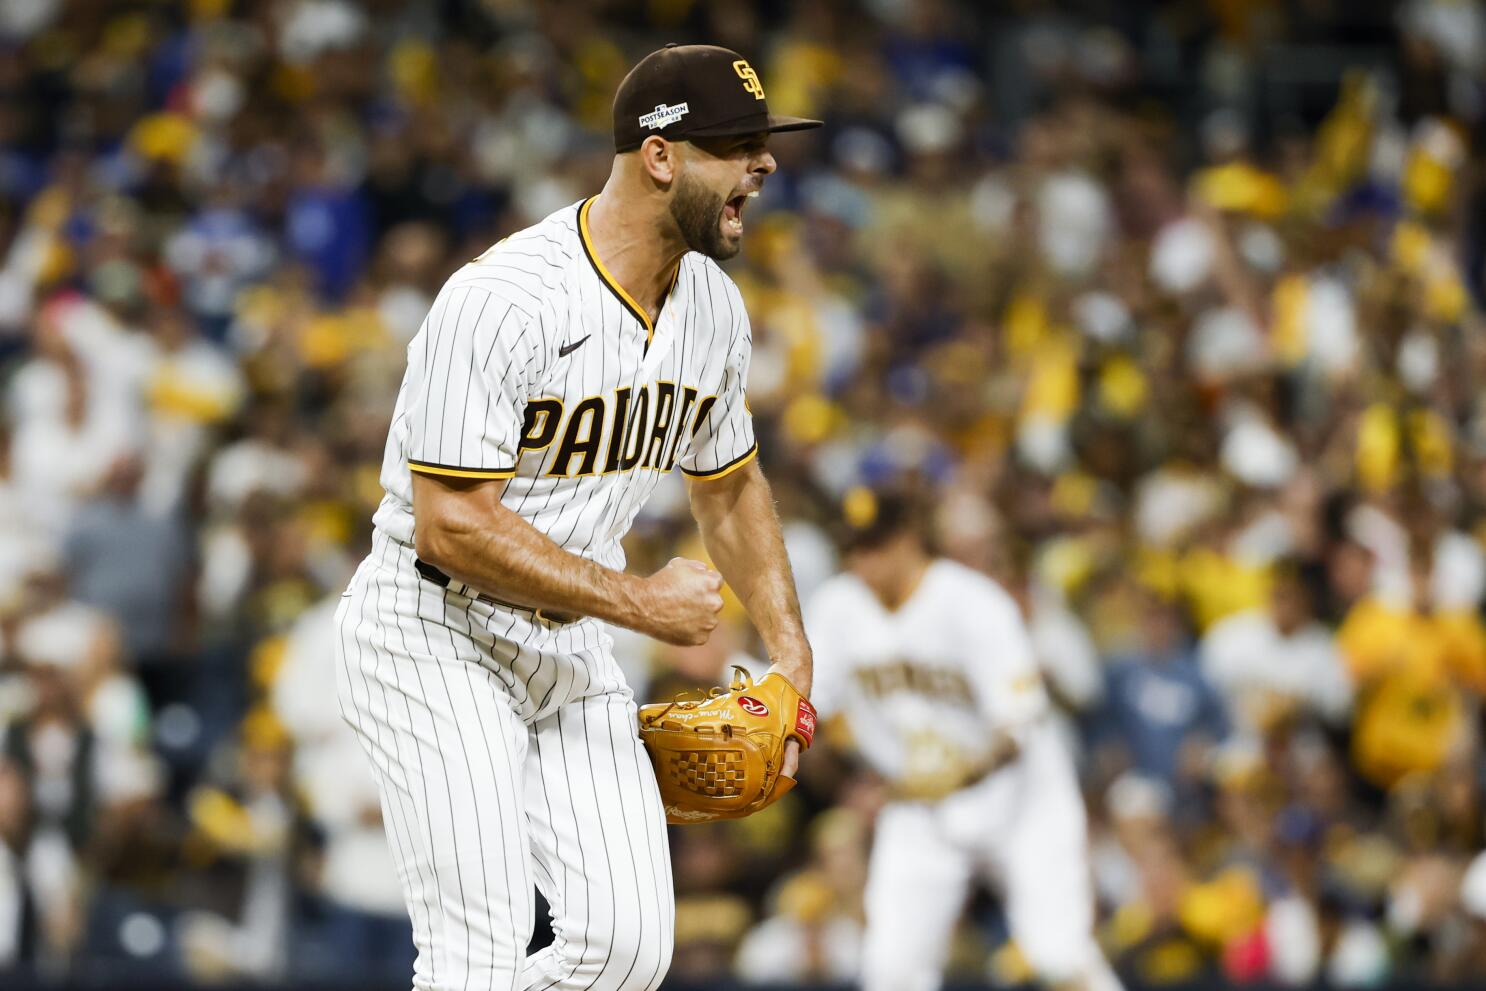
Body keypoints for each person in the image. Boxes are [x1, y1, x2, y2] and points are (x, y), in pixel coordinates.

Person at [333, 44, 818, 991]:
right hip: (431, 627)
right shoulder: (502, 300)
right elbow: (452, 529)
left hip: (570, 643)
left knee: (629, 948)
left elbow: (728, 483)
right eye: (738, 145)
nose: (763, 166)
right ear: (662, 156)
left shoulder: (713, 307)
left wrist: (791, 650)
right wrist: (642, 604)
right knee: (482, 941)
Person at [804, 488, 1121, 991]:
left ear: (909, 538)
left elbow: (1020, 723)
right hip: (920, 807)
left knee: (1059, 954)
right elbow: (808, 703)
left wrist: (965, 770)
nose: (863, 559)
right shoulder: (838, 607)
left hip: (1022, 800)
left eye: (875, 545)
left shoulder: (973, 602)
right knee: (890, 970)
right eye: (854, 547)